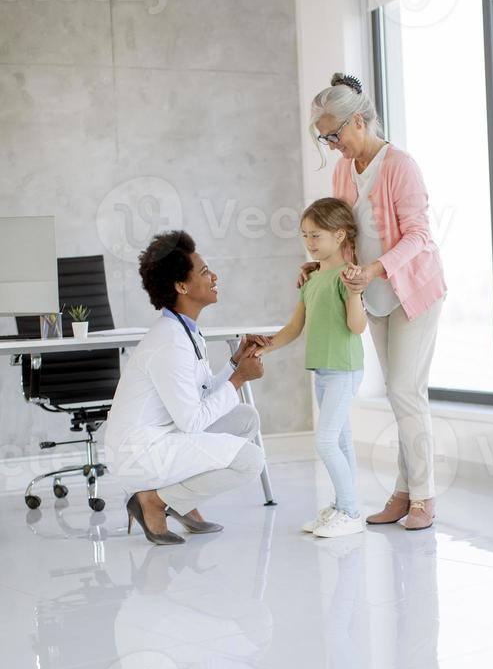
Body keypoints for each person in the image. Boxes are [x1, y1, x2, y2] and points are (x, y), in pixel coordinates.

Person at [304, 72, 448, 531]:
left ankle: (423, 497)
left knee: (406, 392)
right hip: (374, 296)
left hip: (413, 292)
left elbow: (420, 236)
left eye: (334, 134)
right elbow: (343, 232)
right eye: (324, 137)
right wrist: (323, 264)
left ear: (358, 121)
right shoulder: (343, 170)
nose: (331, 144)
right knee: (396, 393)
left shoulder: (400, 165)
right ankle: (403, 493)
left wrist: (375, 269)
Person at [105, 231, 269, 546]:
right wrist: (238, 380)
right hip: (140, 453)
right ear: (182, 287)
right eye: (205, 272)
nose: (214, 276)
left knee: (246, 418)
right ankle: (153, 499)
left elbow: (202, 394)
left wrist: (235, 363)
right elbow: (192, 421)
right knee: (251, 461)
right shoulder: (169, 341)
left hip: (164, 437)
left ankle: (178, 499)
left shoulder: (184, 330)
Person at [258, 198, 367, 539]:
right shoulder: (311, 279)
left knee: (325, 441)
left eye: (316, 235)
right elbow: (294, 328)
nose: (309, 243)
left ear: (339, 235)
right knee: (342, 441)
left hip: (345, 369)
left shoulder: (346, 277)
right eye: (305, 235)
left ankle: (349, 511)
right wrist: (264, 347)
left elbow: (357, 326)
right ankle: (342, 507)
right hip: (322, 371)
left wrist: (353, 293)